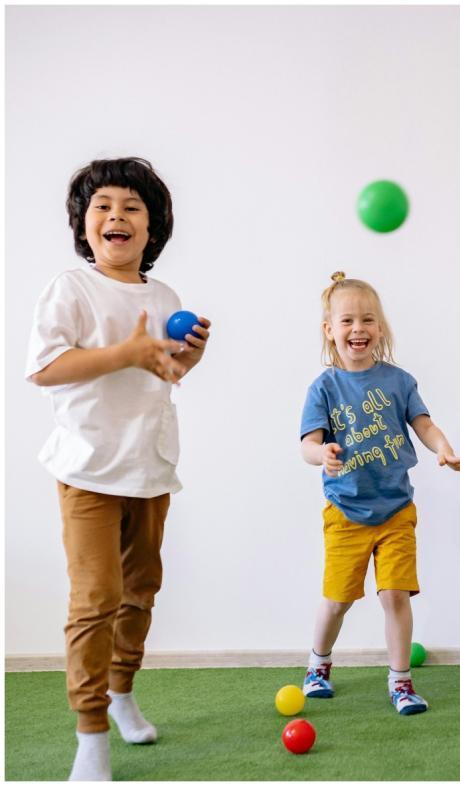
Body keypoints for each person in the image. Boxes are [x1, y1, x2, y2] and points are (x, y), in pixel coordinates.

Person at [25, 157, 212, 780]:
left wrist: (187, 359)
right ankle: (91, 733)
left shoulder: (165, 297)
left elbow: (164, 375)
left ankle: (122, 691)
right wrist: (125, 351)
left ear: (152, 229)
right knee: (95, 599)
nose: (117, 216)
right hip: (87, 470)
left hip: (150, 467)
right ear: (85, 226)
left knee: (139, 592)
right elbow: (46, 368)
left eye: (132, 208)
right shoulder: (70, 289)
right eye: (103, 206)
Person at [299, 272, 460, 715]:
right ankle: (318, 665)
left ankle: (401, 682)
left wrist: (444, 449)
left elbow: (424, 425)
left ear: (381, 328)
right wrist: (323, 455)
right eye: (347, 321)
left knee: (395, 595)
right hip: (346, 511)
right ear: (330, 330)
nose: (358, 329)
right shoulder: (324, 387)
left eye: (368, 320)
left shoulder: (399, 381)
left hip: (397, 510)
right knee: (337, 600)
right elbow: (306, 445)